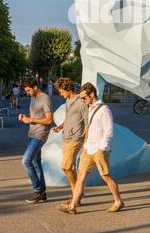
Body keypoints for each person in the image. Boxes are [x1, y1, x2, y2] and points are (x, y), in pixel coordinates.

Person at [60, 82, 124, 215]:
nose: (82, 100)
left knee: (106, 176)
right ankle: (72, 206)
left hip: (99, 149)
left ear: (92, 94)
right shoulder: (90, 108)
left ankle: (118, 201)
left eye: (84, 98)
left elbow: (109, 131)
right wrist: (86, 143)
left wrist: (102, 147)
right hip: (88, 148)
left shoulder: (104, 110)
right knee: (81, 177)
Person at [53, 78, 88, 210]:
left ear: (68, 89)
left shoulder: (81, 102)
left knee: (66, 166)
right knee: (70, 167)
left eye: (62, 92)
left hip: (76, 138)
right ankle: (76, 194)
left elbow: (87, 121)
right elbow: (69, 118)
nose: (61, 94)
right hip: (66, 136)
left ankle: (76, 195)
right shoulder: (68, 101)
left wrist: (87, 138)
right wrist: (61, 126)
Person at [19, 77, 53, 204]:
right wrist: (25, 117)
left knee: (25, 160)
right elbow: (35, 116)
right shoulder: (33, 98)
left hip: (40, 134)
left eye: (28, 90)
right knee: (35, 162)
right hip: (31, 133)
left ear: (35, 87)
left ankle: (37, 190)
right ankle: (43, 193)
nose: (27, 93)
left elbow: (49, 120)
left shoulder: (45, 98)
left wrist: (32, 120)